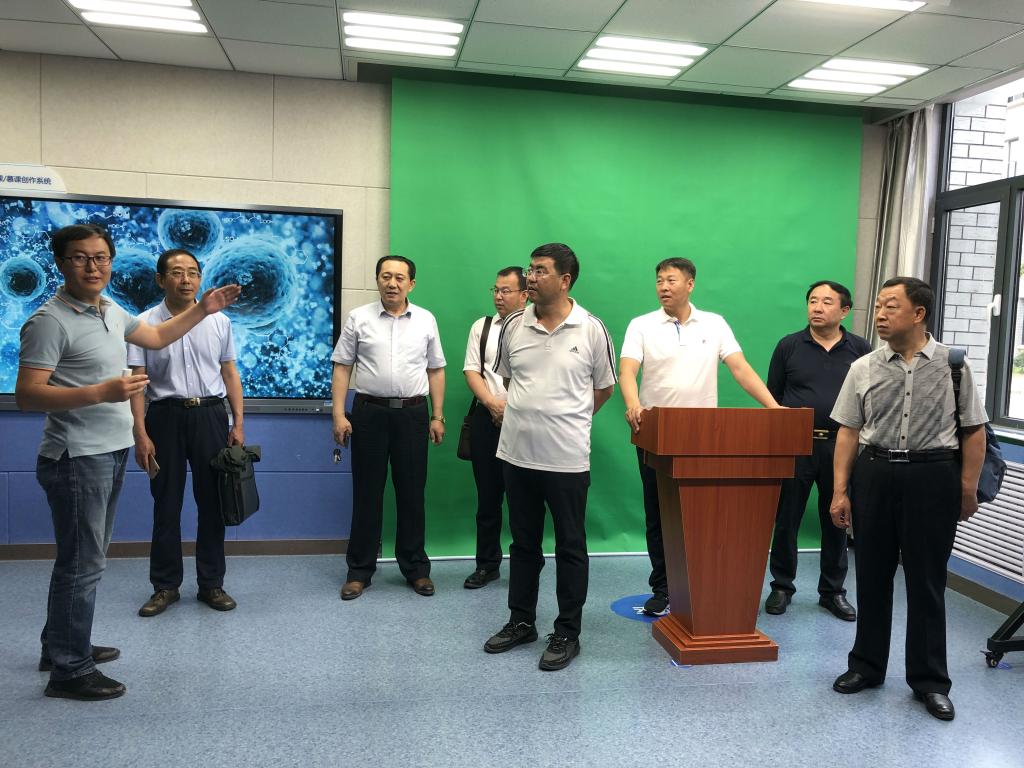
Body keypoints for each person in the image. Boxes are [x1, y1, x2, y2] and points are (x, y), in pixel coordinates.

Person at [16, 224, 239, 701]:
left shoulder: (109, 309)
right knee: (83, 564)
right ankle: (70, 670)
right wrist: (103, 392)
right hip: (77, 455)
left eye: (100, 257)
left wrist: (204, 309)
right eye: (80, 258)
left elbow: (156, 337)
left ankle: (61, 646)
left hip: (107, 451)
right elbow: (28, 396)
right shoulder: (49, 320)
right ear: (61, 263)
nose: (92, 266)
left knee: (84, 560)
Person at [829, 277, 986, 722]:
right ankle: (866, 666)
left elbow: (973, 430)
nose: (880, 314)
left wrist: (967, 487)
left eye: (890, 306)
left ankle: (930, 681)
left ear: (919, 314)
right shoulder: (863, 367)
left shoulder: (954, 366)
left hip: (933, 476)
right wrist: (840, 490)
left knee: (927, 581)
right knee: (872, 575)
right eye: (878, 305)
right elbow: (848, 431)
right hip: (875, 473)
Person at [619, 257, 780, 617]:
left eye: (671, 280)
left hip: (704, 437)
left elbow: (740, 368)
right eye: (659, 280)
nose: (663, 287)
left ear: (690, 284)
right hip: (655, 434)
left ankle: (701, 586)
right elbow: (627, 370)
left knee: (702, 514)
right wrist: (632, 404)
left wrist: (773, 407)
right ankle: (663, 588)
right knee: (658, 514)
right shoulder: (641, 325)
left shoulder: (714, 324)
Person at [483, 243, 616, 671]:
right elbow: (509, 380)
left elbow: (604, 388)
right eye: (530, 269)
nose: (531, 277)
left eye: (540, 270)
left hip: (566, 461)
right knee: (523, 545)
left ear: (565, 280)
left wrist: (567, 420)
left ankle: (567, 632)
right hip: (516, 455)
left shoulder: (591, 329)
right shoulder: (513, 325)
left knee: (571, 546)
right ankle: (521, 621)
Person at [127, 249, 245, 618]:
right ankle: (165, 586)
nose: (186, 280)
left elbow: (229, 373)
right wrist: (140, 432)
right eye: (177, 272)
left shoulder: (219, 321)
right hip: (164, 417)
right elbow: (137, 382)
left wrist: (238, 423)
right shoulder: (143, 324)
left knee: (213, 503)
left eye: (193, 272)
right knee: (166, 504)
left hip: (210, 415)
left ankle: (212, 583)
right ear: (160, 279)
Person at [331, 255, 446, 600]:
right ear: (377, 280)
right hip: (369, 414)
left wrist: (438, 415)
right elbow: (342, 366)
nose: (392, 283)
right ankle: (359, 571)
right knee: (367, 493)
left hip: (413, 415)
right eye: (385, 276)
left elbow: (436, 369)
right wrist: (338, 414)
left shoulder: (425, 319)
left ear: (411, 284)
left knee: (411, 493)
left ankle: (416, 569)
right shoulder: (359, 318)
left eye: (399, 277)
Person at [764, 281, 872, 621]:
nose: (817, 307)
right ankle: (782, 586)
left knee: (837, 517)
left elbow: (870, 397)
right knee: (786, 518)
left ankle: (833, 592)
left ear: (844, 311)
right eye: (812, 301)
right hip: (795, 445)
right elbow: (773, 395)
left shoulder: (861, 349)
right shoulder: (789, 346)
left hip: (842, 445)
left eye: (826, 302)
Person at [461, 266, 528, 589]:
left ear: (524, 295)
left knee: (523, 500)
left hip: (525, 422)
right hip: (486, 420)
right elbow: (471, 370)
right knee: (488, 498)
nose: (499, 296)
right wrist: (491, 403)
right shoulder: (482, 327)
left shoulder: (535, 328)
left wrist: (512, 408)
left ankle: (525, 566)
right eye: (496, 290)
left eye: (506, 291)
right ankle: (487, 565)